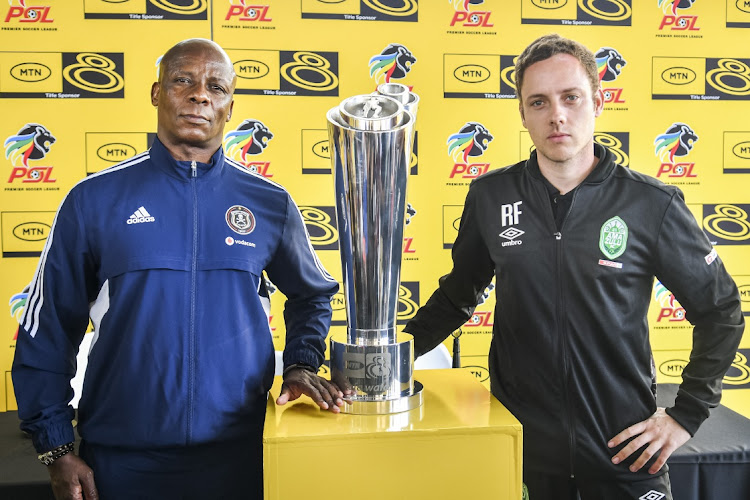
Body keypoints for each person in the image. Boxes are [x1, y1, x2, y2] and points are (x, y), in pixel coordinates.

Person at [404, 33, 744, 499]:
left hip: (626, 451)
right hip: (523, 453)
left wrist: (687, 413)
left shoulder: (651, 203)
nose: (556, 115)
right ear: (523, 114)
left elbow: (720, 308)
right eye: (538, 102)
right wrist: (389, 360)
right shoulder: (491, 197)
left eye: (571, 98)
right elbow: (456, 298)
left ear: (598, 102)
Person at [12, 38, 345, 500]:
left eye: (215, 86)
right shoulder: (93, 200)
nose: (199, 95)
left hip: (243, 456)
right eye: (182, 81)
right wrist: (54, 448)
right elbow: (47, 329)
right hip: (122, 461)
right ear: (156, 93)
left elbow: (312, 293)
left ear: (230, 105)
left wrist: (302, 362)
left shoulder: (269, 203)